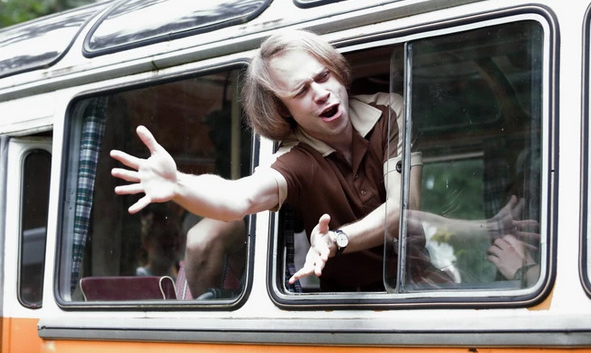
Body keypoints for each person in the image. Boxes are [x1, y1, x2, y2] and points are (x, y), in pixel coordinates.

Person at [111, 29, 430, 292]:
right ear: (282, 110)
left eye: (324, 76)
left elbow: (404, 207)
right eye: (301, 91)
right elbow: (239, 197)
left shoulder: (389, 111)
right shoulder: (295, 159)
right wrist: (179, 184)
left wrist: (336, 240)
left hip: (419, 289)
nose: (321, 93)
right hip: (346, 307)